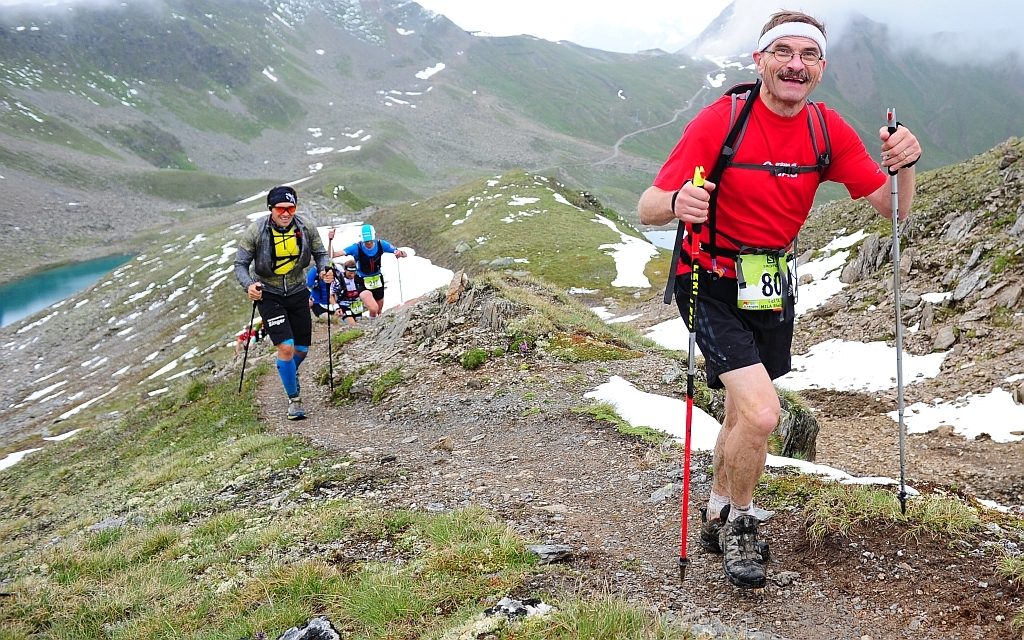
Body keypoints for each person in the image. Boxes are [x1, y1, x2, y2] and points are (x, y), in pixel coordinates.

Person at [637, 10, 919, 590]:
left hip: (771, 285)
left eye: (808, 55)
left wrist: (905, 167)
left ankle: (716, 509)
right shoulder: (722, 122)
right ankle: (742, 522)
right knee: (765, 414)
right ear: (759, 60)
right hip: (707, 282)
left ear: (820, 67)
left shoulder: (825, 130)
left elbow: (892, 211)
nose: (796, 64)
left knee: (744, 413)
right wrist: (678, 205)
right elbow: (648, 205)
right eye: (783, 52)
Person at [234, 185, 331, 420]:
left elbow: (320, 253)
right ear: (271, 209)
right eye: (280, 208)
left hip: (298, 291)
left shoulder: (305, 226)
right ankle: (294, 400)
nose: (286, 213)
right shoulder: (256, 230)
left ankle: (286, 371)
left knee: (301, 349)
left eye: (290, 208)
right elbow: (240, 264)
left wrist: (325, 269)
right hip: (269, 293)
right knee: (286, 347)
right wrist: (249, 285)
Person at [328, 224, 406, 318]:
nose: (368, 243)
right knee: (373, 308)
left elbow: (403, 254)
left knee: (379, 311)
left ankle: (374, 325)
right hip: (362, 279)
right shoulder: (356, 247)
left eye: (370, 241)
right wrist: (330, 240)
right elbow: (333, 255)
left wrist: (400, 253)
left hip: (377, 279)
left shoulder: (381, 244)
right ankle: (373, 327)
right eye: (366, 241)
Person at [330, 257, 367, 326]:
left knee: (358, 327)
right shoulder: (338, 280)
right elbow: (331, 295)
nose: (352, 275)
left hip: (357, 306)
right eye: (350, 273)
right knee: (352, 325)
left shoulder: (359, 277)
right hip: (344, 306)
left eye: (354, 272)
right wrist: (336, 307)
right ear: (345, 270)